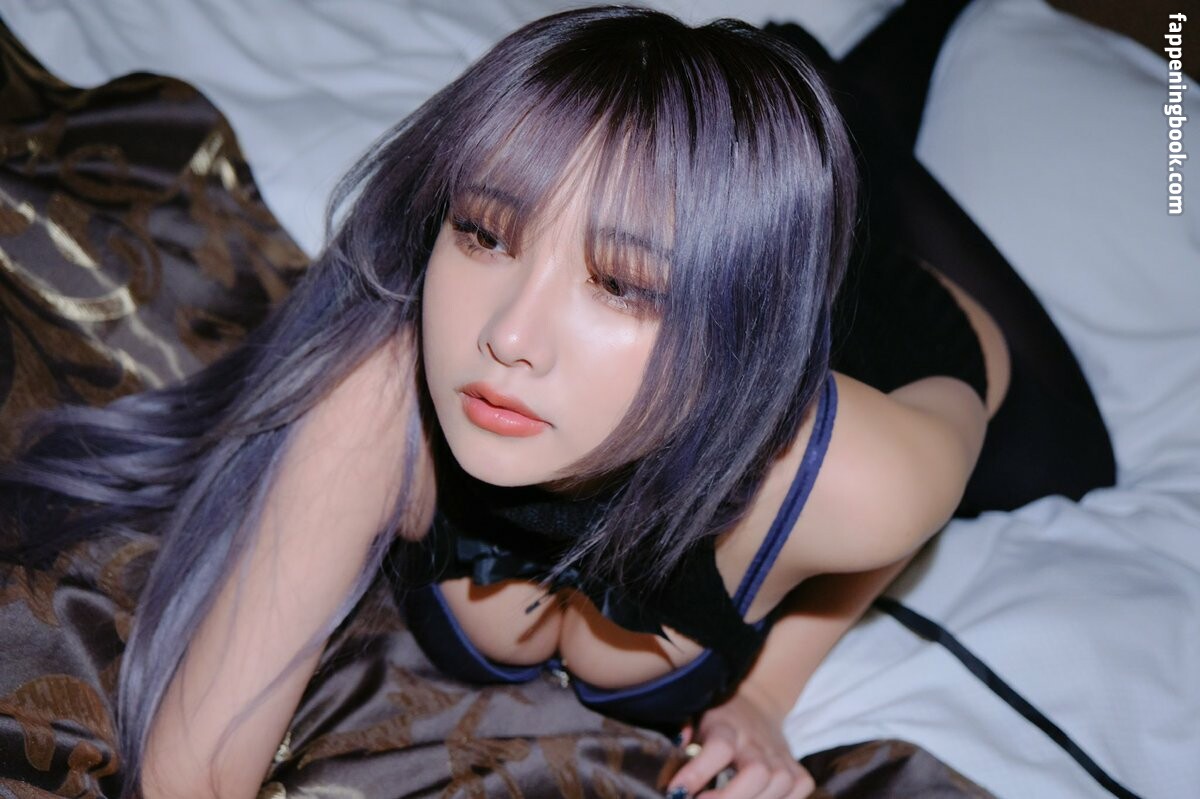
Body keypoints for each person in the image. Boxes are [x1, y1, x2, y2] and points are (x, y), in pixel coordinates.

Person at [0, 5, 1114, 799]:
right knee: (784, 132)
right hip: (722, 234)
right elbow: (198, 762)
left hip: (913, 324)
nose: (507, 337)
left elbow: (924, 481)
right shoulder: (384, 388)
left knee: (873, 156)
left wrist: (767, 696)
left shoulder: (855, 477)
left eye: (619, 285)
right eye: (486, 233)